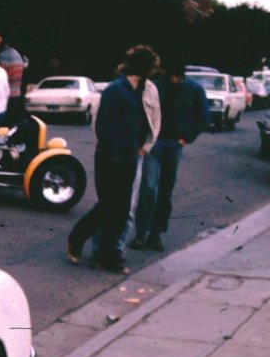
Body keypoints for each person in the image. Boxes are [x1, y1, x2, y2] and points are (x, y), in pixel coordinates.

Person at [67, 44, 158, 273]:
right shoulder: (115, 90)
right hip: (110, 158)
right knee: (108, 207)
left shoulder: (141, 90)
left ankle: (107, 257)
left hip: (130, 156)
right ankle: (77, 238)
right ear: (143, 67)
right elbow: (103, 125)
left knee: (120, 210)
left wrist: (140, 148)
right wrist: (114, 154)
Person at [129, 59, 209, 251]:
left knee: (165, 191)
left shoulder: (194, 89)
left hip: (174, 144)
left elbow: (203, 117)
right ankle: (141, 233)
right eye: (171, 76)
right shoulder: (155, 86)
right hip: (154, 144)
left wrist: (187, 138)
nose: (174, 80)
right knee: (148, 188)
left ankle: (156, 234)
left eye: (178, 77)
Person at [97, 47, 161, 264]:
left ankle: (116, 247)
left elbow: (155, 119)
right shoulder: (116, 89)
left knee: (127, 205)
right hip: (114, 155)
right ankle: (100, 246)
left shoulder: (149, 89)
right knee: (110, 203)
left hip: (135, 153)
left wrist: (146, 147)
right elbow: (102, 122)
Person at [0, 31, 29, 121]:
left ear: (3, 40)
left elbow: (0, 77)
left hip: (7, 96)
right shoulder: (16, 53)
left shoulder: (2, 56)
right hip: (17, 94)